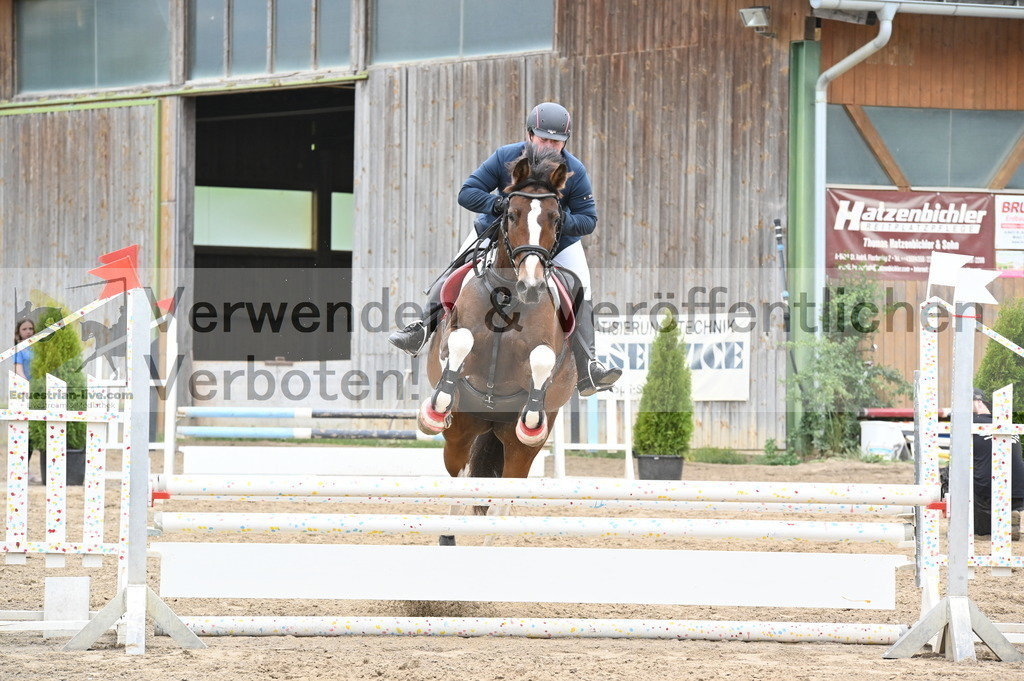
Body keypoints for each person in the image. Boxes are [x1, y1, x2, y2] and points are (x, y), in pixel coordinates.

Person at [388, 102, 622, 396]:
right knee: (457, 268)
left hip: (554, 243)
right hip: (501, 234)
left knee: (582, 288)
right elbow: (468, 192)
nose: (549, 145)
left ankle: (589, 367)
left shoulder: (574, 170)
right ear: (529, 134)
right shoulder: (505, 156)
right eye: (543, 138)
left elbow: (588, 219)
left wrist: (555, 222)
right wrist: (496, 205)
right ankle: (422, 329)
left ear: (566, 141)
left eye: (556, 141)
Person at [971, 388, 1024, 538]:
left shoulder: (971, 422)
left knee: (952, 473)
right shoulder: (1007, 424)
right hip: (1018, 490)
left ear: (978, 403)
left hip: (988, 489)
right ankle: (1009, 515)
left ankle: (984, 526)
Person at [12, 317, 41, 483]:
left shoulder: (39, 348)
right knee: (27, 434)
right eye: (25, 329)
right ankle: (24, 469)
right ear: (19, 332)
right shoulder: (19, 350)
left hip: (41, 392)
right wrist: (29, 387)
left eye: (31, 328)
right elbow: (19, 371)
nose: (28, 331)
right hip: (27, 394)